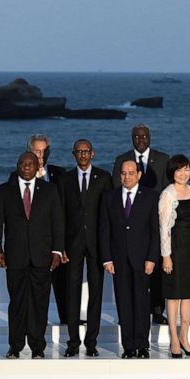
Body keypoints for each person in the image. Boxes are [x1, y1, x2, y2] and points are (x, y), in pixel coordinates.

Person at [0, 152, 64, 359]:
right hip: (14, 257)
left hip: (42, 256)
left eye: (30, 164)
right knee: (16, 303)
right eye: (23, 164)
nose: (26, 167)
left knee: (40, 304)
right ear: (18, 166)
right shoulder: (4, 191)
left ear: (36, 167)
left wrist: (57, 251)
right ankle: (15, 346)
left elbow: (57, 223)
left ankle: (37, 347)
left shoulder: (50, 190)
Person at [99, 159, 160, 358]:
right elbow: (104, 230)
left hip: (142, 259)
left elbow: (154, 230)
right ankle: (129, 346)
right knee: (123, 303)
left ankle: (143, 345)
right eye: (124, 173)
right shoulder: (110, 197)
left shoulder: (151, 197)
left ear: (139, 175)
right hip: (118, 260)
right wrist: (107, 258)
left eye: (131, 173)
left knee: (142, 304)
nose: (127, 176)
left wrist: (152, 258)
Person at [58, 139, 113, 358]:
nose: (82, 155)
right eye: (78, 152)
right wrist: (59, 246)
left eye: (86, 151)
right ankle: (72, 343)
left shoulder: (104, 177)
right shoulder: (65, 180)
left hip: (96, 244)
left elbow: (108, 215)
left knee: (96, 294)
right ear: (74, 154)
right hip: (72, 245)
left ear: (93, 153)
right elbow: (60, 215)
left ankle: (91, 342)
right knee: (72, 293)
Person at [112, 123, 169, 325]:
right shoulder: (122, 160)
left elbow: (167, 191)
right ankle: (127, 314)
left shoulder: (162, 160)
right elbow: (116, 194)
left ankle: (156, 310)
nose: (141, 140)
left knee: (155, 270)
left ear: (150, 137)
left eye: (144, 136)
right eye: (137, 137)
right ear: (132, 138)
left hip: (155, 223)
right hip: (129, 227)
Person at [158, 155, 190, 358]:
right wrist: (166, 256)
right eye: (179, 170)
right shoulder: (168, 194)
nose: (183, 174)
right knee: (174, 295)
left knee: (189, 294)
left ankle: (185, 336)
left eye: (186, 169)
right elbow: (164, 227)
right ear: (172, 173)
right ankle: (174, 339)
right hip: (175, 249)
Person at [24, 134, 68, 326]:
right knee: (32, 287)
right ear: (29, 151)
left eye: (44, 151)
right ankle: (33, 323)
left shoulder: (61, 174)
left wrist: (62, 245)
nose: (40, 155)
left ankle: (67, 320)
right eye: (36, 151)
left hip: (56, 241)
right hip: (31, 243)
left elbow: (66, 210)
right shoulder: (18, 174)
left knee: (61, 284)